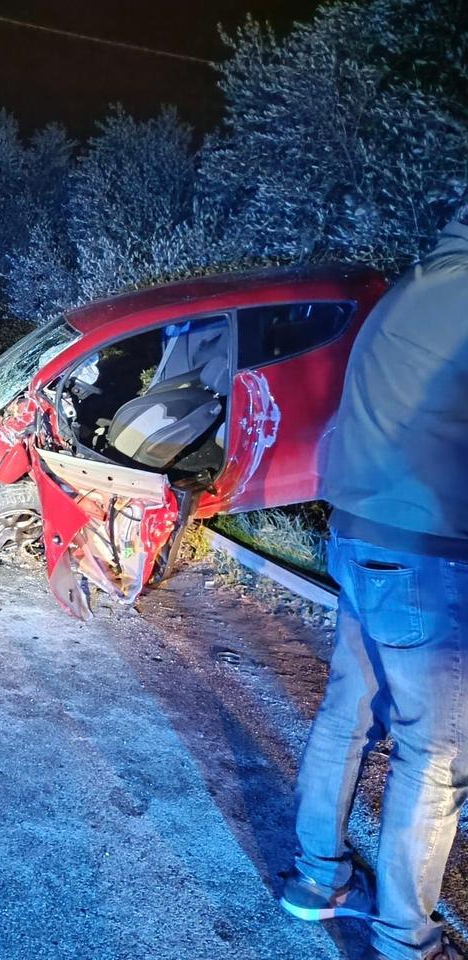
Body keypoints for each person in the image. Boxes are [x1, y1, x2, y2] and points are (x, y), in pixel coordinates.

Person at [281, 201, 468, 960]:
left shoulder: (415, 286)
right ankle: (405, 942)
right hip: (426, 551)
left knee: (347, 711)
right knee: (435, 755)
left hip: (360, 537)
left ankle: (317, 881)